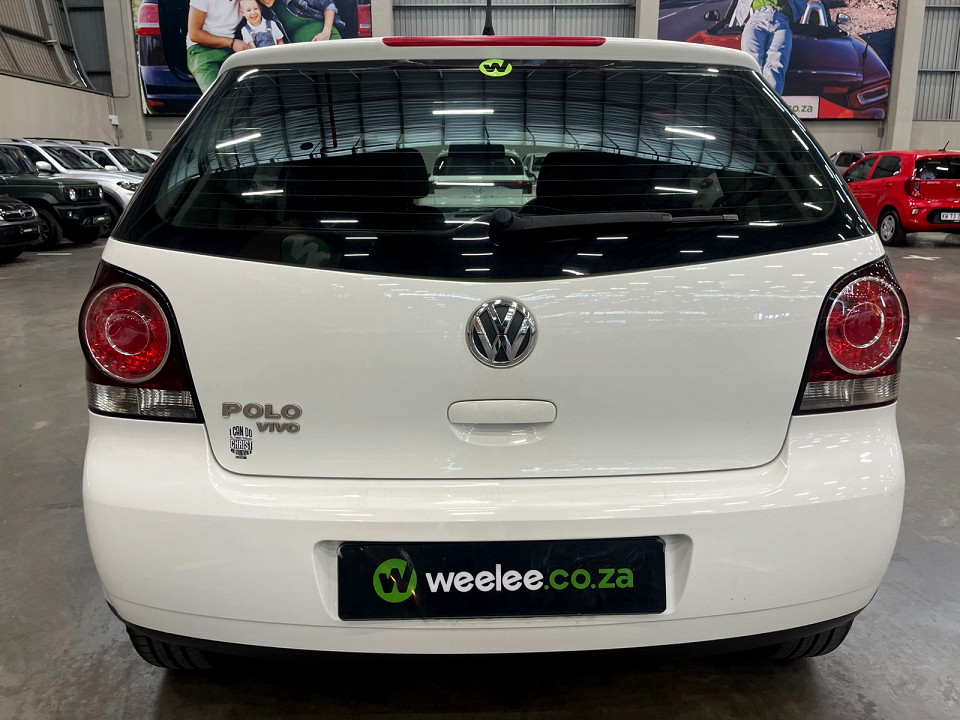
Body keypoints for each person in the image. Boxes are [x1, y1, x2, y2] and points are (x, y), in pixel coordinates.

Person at [734, 0, 810, 95]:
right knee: (752, 64)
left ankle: (767, 102)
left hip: (782, 21)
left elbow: (800, 6)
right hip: (756, 19)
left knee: (775, 68)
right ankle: (754, 101)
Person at [187, 0, 251, 93]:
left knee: (249, 89)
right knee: (217, 95)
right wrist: (232, 43)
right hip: (201, 50)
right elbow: (195, 35)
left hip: (230, 50)